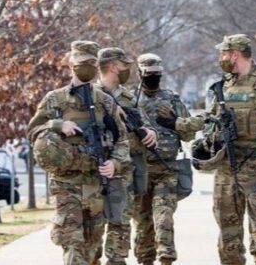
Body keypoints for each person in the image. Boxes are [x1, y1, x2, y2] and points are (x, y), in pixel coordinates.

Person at [28, 40, 130, 265]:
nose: (89, 67)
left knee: (92, 251)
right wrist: (57, 125)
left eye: (93, 63)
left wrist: (115, 163)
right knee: (74, 249)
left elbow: (122, 140)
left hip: (96, 185)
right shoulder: (55, 99)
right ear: (71, 63)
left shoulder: (104, 102)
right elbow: (33, 130)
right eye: (83, 62)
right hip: (67, 185)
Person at [196, 34, 256, 265]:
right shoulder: (225, 84)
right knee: (228, 237)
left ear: (234, 54)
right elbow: (212, 121)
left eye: (223, 53)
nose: (221, 58)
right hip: (227, 168)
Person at [133, 53, 201, 265]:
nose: (153, 77)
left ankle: (166, 259)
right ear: (139, 73)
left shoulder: (172, 99)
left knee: (164, 219)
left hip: (167, 170)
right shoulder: (130, 101)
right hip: (140, 171)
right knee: (143, 223)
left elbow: (189, 134)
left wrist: (175, 122)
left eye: (156, 74)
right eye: (149, 73)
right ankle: (145, 260)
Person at [96, 47, 158, 265]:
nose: (128, 70)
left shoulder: (128, 96)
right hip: (97, 169)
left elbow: (144, 124)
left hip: (126, 169)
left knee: (121, 222)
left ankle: (116, 260)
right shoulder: (90, 95)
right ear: (113, 66)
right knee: (94, 226)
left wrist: (150, 133)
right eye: (125, 65)